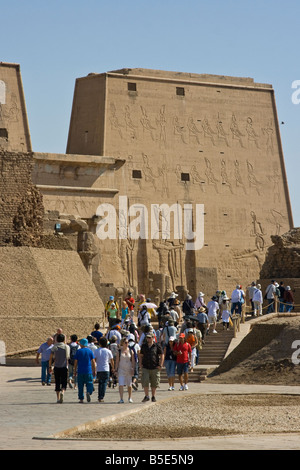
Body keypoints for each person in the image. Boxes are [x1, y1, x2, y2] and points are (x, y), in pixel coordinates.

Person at [139, 332, 164, 402]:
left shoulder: (157, 346)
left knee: (154, 382)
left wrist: (160, 364)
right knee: (145, 381)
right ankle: (146, 395)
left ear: (153, 338)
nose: (148, 339)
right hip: (146, 366)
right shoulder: (144, 346)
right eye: (147, 338)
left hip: (154, 366)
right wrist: (140, 363)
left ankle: (153, 396)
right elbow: (141, 355)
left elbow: (162, 354)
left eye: (150, 338)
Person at [73, 338, 96, 404]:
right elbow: (93, 361)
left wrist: (75, 370)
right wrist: (94, 369)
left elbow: (75, 362)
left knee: (80, 385)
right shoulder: (90, 351)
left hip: (80, 370)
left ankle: (81, 398)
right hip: (88, 370)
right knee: (89, 383)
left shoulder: (78, 351)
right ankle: (89, 392)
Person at [49, 333, 70, 403]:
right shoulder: (66, 347)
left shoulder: (54, 347)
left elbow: (51, 358)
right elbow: (68, 357)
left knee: (57, 382)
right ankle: (63, 392)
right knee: (64, 381)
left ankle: (58, 398)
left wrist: (50, 366)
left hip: (56, 366)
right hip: (64, 366)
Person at [94, 336, 114, 402]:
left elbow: (95, 360)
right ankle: (101, 396)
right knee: (104, 383)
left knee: (100, 383)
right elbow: (112, 360)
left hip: (99, 369)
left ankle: (99, 396)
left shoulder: (96, 351)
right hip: (106, 368)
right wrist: (113, 368)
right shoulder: (108, 351)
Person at [115, 337, 135, 403]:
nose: (127, 344)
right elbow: (117, 361)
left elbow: (133, 361)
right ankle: (121, 398)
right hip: (121, 369)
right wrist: (116, 370)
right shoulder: (119, 351)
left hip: (129, 369)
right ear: (122, 343)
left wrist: (133, 369)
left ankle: (130, 397)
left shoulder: (131, 351)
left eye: (127, 342)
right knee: (121, 384)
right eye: (125, 342)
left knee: (129, 384)